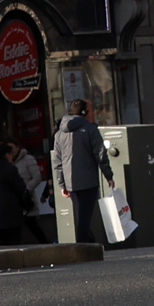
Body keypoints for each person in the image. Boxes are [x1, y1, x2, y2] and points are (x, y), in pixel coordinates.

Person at [54, 99, 108, 247]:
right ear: (85, 112)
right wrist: (108, 175)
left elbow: (57, 161)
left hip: (70, 182)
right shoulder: (90, 129)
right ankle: (82, 246)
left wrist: (61, 183)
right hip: (88, 180)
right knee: (84, 217)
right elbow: (100, 154)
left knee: (81, 215)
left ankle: (89, 243)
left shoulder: (59, 133)